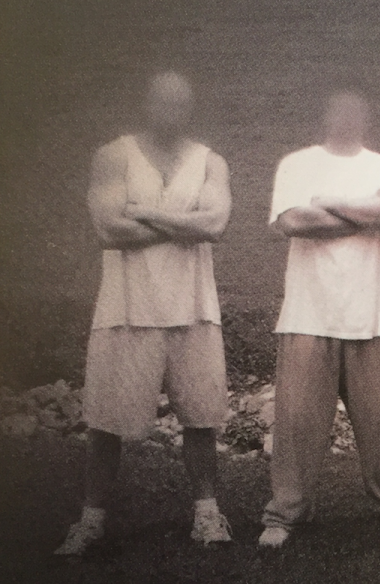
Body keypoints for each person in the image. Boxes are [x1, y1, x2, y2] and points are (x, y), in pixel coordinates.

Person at [56, 71, 234, 555]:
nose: (170, 111)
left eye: (180, 103)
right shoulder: (114, 155)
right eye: (161, 101)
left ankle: (207, 514)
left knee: (202, 420)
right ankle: (90, 521)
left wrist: (148, 214)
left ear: (189, 107)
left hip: (194, 310)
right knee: (105, 425)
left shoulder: (209, 161)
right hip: (125, 310)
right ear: (145, 103)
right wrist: (185, 226)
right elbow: (109, 230)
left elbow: (215, 224)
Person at [257, 89, 380, 548]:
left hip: (370, 316)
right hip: (308, 315)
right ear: (324, 116)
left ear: (365, 119)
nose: (346, 118)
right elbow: (292, 221)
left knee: (379, 424)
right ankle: (286, 513)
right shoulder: (297, 163)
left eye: (355, 111)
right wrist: (364, 216)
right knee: (296, 426)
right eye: (337, 110)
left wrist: (327, 202)